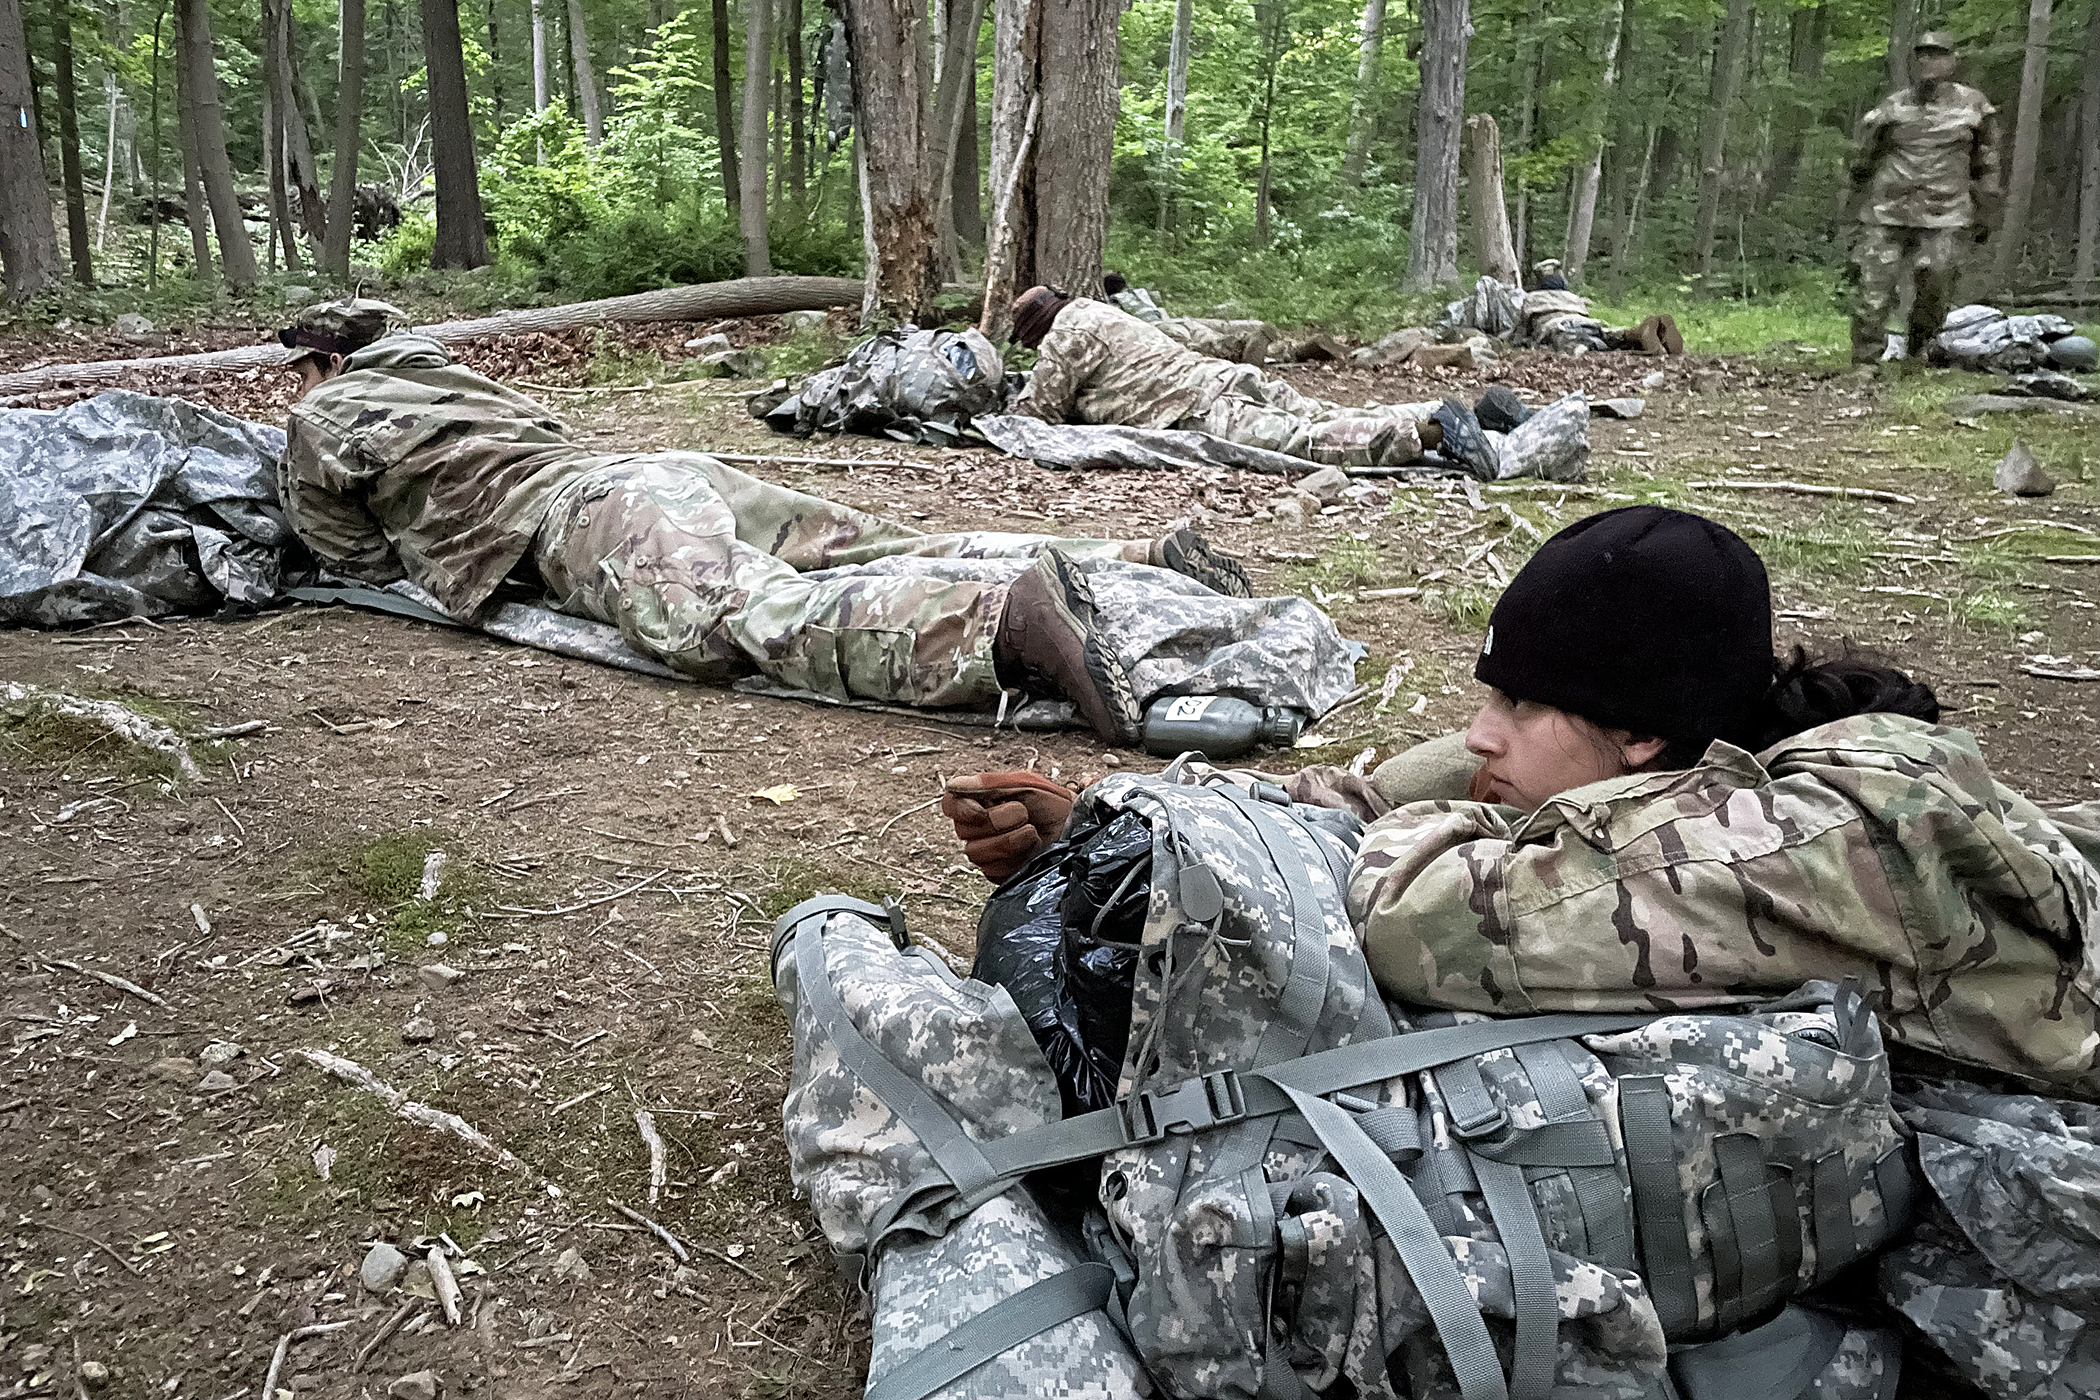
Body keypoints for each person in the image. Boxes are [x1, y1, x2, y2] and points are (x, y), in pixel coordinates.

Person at [946, 506, 2100, 1097]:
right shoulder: (1715, 750)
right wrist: (1128, 825)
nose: (1480, 731)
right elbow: (1444, 788)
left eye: (1522, 703)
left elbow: (1415, 913)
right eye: (1484, 691)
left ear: (1643, 733)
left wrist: (1280, 841)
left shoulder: (1796, 848)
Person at [276, 297, 1253, 744]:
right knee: (875, 541)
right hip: (656, 473)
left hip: (584, 514)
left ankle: (1007, 623)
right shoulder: (446, 372)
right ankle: (1132, 556)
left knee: (738, 621)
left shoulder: (320, 413)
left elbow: (343, 547)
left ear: (318, 365)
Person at [1008, 285, 1496, 475]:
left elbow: (1039, 412)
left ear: (1036, 329)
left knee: (1304, 442)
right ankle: (1454, 413)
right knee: (1327, 413)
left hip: (1197, 409)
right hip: (1224, 378)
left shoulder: (1066, 335)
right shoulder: (1099, 312)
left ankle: (1428, 434)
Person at [1847, 30, 2002, 366]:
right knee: (1874, 291)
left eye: (1938, 54)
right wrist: (1855, 195)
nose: (1929, 61)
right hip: (1888, 210)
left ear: (1953, 59)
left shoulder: (1974, 106)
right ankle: (1865, 362)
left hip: (1946, 212)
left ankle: (1918, 347)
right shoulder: (1894, 106)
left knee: (1934, 281)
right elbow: (1864, 157)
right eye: (1923, 55)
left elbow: (1987, 163)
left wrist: (1986, 211)